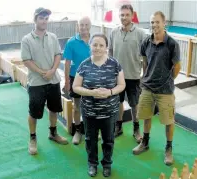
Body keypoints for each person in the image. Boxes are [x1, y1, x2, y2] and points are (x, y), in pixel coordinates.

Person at [132, 11, 181, 166]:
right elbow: (145, 62)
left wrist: (169, 79)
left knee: (169, 120)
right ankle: (145, 142)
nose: (154, 25)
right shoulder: (146, 42)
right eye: (152, 22)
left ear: (164, 22)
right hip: (147, 87)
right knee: (146, 116)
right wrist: (146, 76)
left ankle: (168, 148)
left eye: (157, 22)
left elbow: (177, 66)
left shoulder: (172, 44)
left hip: (165, 90)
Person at [73, 33, 125, 177]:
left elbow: (122, 85)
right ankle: (92, 164)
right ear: (90, 46)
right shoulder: (84, 65)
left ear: (106, 47)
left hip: (109, 111)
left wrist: (110, 92)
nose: (97, 48)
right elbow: (75, 87)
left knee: (109, 140)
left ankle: (107, 164)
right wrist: (91, 92)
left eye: (101, 45)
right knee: (90, 140)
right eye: (94, 44)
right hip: (89, 112)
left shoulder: (115, 64)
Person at [21, 7, 69, 155]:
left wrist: (53, 71)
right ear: (35, 19)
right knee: (34, 112)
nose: (44, 21)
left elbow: (57, 55)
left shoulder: (53, 37)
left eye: (46, 18)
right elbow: (26, 60)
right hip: (36, 82)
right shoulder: (27, 39)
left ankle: (53, 133)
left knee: (54, 109)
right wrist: (43, 72)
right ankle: (33, 138)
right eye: (41, 18)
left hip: (53, 80)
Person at [108, 4, 147, 143]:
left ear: (132, 15)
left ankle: (136, 128)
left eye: (127, 14)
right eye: (122, 15)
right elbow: (110, 53)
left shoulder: (141, 33)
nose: (124, 17)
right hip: (117, 76)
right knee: (118, 102)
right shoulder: (113, 32)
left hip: (134, 76)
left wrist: (144, 75)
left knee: (134, 103)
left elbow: (145, 56)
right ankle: (118, 126)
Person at [63, 16, 92, 145]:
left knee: (92, 105)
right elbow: (67, 64)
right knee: (77, 106)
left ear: (90, 26)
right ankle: (78, 131)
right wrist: (67, 81)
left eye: (86, 25)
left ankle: (91, 130)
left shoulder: (95, 40)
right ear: (77, 26)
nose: (84, 27)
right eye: (81, 25)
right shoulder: (71, 42)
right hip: (76, 78)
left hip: (92, 77)